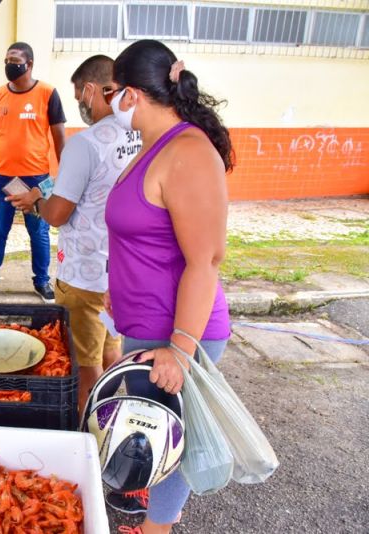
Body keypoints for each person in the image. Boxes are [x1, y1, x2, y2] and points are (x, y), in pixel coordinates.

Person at [103, 40, 232, 532]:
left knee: (174, 441)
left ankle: (157, 528)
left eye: (114, 91)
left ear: (133, 93)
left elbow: (206, 261)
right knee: (153, 434)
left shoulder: (189, 152)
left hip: (177, 331)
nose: (111, 102)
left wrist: (180, 349)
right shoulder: (152, 148)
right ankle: (153, 516)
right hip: (147, 325)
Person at [7, 55, 141, 412]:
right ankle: (114, 415)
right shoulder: (140, 133)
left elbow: (57, 214)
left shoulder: (86, 143)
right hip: (121, 273)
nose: (80, 103)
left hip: (83, 273)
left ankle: (91, 432)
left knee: (85, 366)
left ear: (92, 89)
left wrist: (35, 203)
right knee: (112, 348)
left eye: (80, 95)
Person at [0, 42, 66, 302]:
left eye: (15, 60)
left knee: (38, 233)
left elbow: (60, 137)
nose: (10, 65)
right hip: (2, 178)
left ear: (29, 64)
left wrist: (64, 179)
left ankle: (42, 281)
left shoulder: (47, 93)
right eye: (7, 59)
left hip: (36, 180)